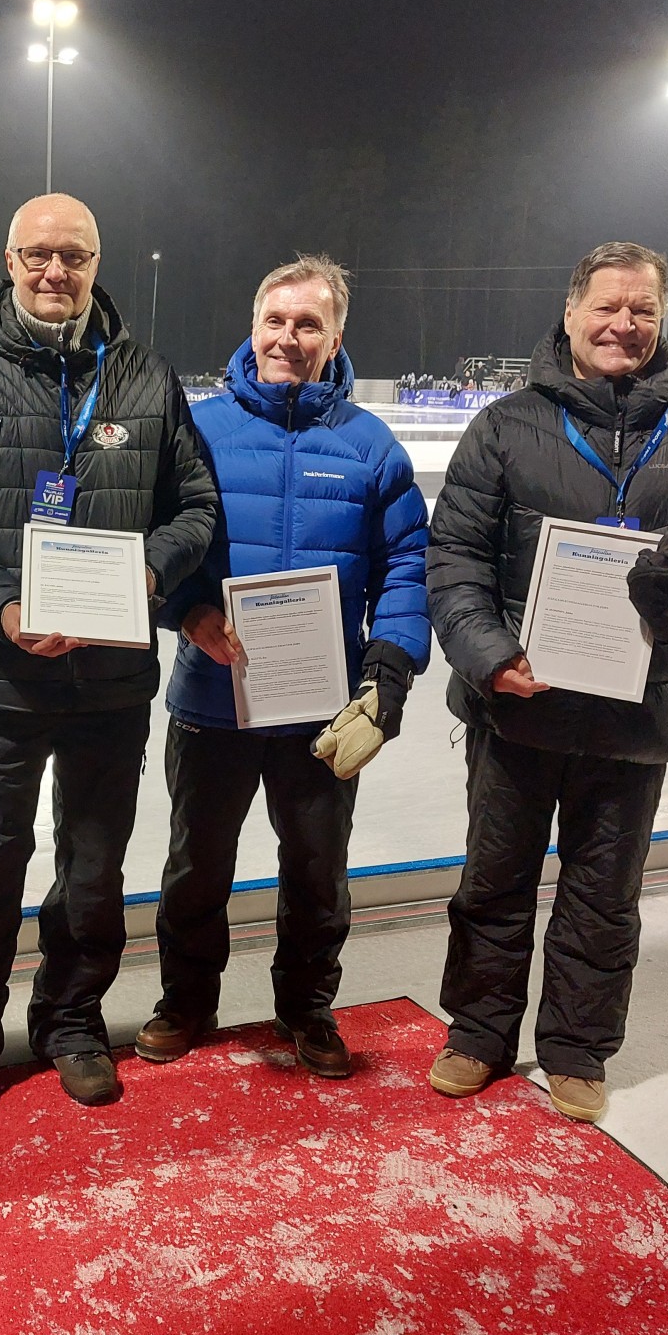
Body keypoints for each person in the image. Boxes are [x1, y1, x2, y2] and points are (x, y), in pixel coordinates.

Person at [425, 241, 668, 1123]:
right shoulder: (505, 426)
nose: (625, 324)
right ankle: (478, 1032)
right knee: (494, 880)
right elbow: (455, 556)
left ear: (662, 319)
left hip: (637, 714)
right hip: (517, 709)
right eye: (609, 307)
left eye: (643, 309)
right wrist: (488, 655)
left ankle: (578, 1049)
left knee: (604, 893)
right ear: (572, 312)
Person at [0, 192, 218, 1127]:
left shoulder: (146, 378)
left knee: (94, 865)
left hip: (109, 681)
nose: (56, 271)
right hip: (2, 676)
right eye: (39, 254)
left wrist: (142, 578)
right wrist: (2, 607)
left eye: (74, 256)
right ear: (9, 262)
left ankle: (72, 1021)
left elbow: (195, 507)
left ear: (95, 264)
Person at [139, 255, 430, 1073]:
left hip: (320, 708)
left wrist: (387, 672)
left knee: (316, 871)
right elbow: (157, 544)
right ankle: (185, 1002)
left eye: (308, 324)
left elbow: (407, 565)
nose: (288, 338)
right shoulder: (199, 431)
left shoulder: (370, 447)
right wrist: (185, 610)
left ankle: (306, 1009)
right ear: (253, 326)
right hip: (213, 698)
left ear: (335, 338)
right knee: (197, 866)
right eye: (276, 320)